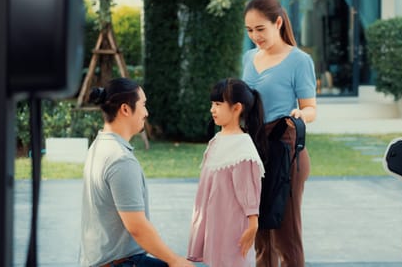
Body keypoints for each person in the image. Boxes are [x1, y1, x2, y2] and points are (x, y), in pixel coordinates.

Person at [80, 77, 193, 267]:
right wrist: (175, 261)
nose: (146, 112)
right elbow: (137, 227)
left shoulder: (99, 146)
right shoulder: (120, 159)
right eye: (143, 105)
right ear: (125, 109)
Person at [242, 0, 317, 267]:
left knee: (286, 235)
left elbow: (311, 108)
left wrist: (300, 115)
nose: (255, 36)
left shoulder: (298, 60)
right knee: (260, 235)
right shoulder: (249, 58)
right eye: (249, 30)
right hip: (255, 149)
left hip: (286, 151)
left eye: (260, 29)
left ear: (278, 23)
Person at [187, 78, 267, 267]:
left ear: (236, 108)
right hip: (215, 224)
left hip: (232, 228)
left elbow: (248, 191)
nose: (212, 109)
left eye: (217, 104)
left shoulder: (242, 147)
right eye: (212, 104)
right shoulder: (217, 140)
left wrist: (253, 224)